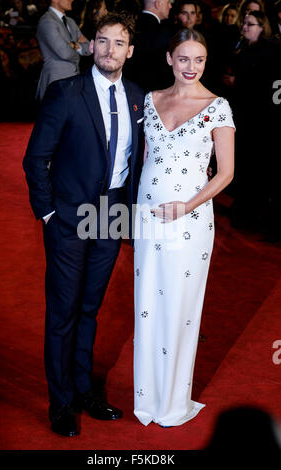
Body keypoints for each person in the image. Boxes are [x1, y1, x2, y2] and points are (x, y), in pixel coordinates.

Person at [23, 12, 145, 437]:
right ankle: (60, 402)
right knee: (63, 312)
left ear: (130, 51)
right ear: (91, 45)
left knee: (90, 309)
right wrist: (49, 212)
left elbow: (136, 161)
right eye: (102, 41)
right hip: (69, 215)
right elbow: (35, 158)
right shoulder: (66, 93)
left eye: (118, 43)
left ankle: (82, 389)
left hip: (111, 214)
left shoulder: (135, 96)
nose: (109, 50)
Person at [133, 28, 235, 427]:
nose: (191, 67)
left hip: (189, 222)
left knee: (179, 307)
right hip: (148, 219)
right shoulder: (151, 100)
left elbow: (226, 173)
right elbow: (144, 160)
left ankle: (173, 401)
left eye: (199, 60)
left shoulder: (218, 106)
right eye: (184, 59)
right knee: (147, 306)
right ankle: (147, 398)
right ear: (169, 60)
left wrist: (188, 205)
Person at [230, 11, 281, 239]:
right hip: (247, 117)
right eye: (244, 23)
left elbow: (268, 90)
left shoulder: (268, 53)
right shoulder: (246, 49)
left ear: (263, 27)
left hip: (258, 120)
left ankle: (247, 213)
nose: (245, 27)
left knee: (253, 167)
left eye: (250, 24)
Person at [36, 0, 91, 101]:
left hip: (74, 82)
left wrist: (74, 45)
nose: (72, 0)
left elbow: (90, 47)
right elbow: (64, 53)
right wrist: (79, 48)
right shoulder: (47, 21)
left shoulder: (70, 21)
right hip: (56, 81)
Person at [124, 0, 173, 92]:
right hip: (153, 93)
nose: (170, 6)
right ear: (157, 4)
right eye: (168, 3)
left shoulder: (129, 26)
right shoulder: (163, 32)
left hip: (128, 90)